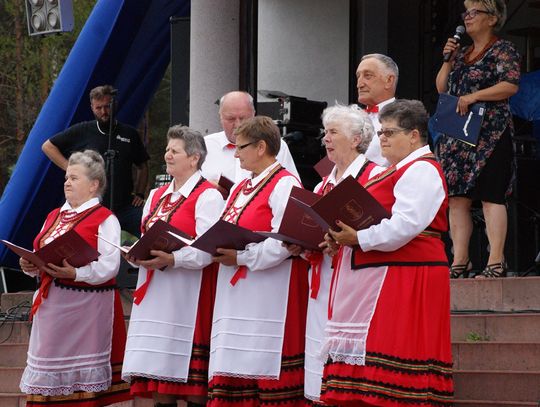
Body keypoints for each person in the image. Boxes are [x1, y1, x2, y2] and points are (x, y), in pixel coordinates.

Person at [320, 100, 454, 406]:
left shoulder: (422, 169)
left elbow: (406, 225)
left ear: (414, 135)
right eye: (381, 132)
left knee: (396, 362)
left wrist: (359, 237)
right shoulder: (394, 169)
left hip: (409, 273)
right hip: (385, 272)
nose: (382, 139)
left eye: (390, 133)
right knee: (373, 367)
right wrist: (342, 237)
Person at [207, 116, 308, 406]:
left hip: (268, 292)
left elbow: (286, 241)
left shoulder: (285, 183)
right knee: (236, 363)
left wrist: (242, 256)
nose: (235, 154)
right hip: (237, 291)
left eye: (241, 147)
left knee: (263, 362)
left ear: (261, 146)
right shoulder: (241, 187)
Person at [121, 126, 224, 407]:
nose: (167, 154)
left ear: (194, 158)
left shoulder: (208, 196)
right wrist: (137, 252)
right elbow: (147, 236)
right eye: (167, 149)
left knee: (191, 381)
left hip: (187, 296)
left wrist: (173, 258)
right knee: (158, 375)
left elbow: (207, 251)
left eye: (174, 150)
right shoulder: (156, 196)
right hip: (155, 294)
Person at [19, 150, 131, 406]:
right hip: (52, 307)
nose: (67, 182)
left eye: (75, 178)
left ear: (94, 185)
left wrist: (77, 273)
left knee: (80, 385)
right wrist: (29, 263)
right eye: (67, 177)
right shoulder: (54, 215)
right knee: (46, 377)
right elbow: (41, 254)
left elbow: (110, 266)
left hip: (85, 311)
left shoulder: (105, 219)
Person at [285, 104, 378, 403]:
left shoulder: (374, 176)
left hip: (357, 284)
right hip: (323, 280)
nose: (325, 138)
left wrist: (347, 241)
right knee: (319, 353)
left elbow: (379, 230)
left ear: (355, 139)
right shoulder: (324, 181)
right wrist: (300, 244)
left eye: (333, 132)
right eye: (326, 132)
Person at [435, 0, 520, 279]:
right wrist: (447, 59)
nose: (467, 18)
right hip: (458, 136)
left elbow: (510, 85)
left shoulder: (502, 49)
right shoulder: (461, 53)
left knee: (490, 196)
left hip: (490, 133)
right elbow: (442, 87)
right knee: (458, 198)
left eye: (474, 12)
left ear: (492, 18)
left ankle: (496, 260)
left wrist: (475, 95)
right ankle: (460, 260)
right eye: (466, 12)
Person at [42, 85, 150, 237]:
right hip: (93, 207)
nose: (104, 112)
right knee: (75, 241)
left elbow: (142, 165)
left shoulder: (129, 133)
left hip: (126, 206)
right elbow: (48, 147)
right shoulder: (83, 130)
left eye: (107, 106)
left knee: (150, 231)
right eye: (98, 108)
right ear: (92, 107)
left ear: (115, 104)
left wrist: (139, 193)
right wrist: (70, 168)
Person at [201, 90, 300, 183]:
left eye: (243, 118)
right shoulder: (204, 146)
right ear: (220, 117)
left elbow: (292, 190)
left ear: (254, 115)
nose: (238, 125)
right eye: (231, 119)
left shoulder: (275, 144)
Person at [356, 53, 399, 166]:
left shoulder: (402, 120)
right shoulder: (352, 118)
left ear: (389, 80)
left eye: (368, 76)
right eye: (358, 76)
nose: (359, 84)